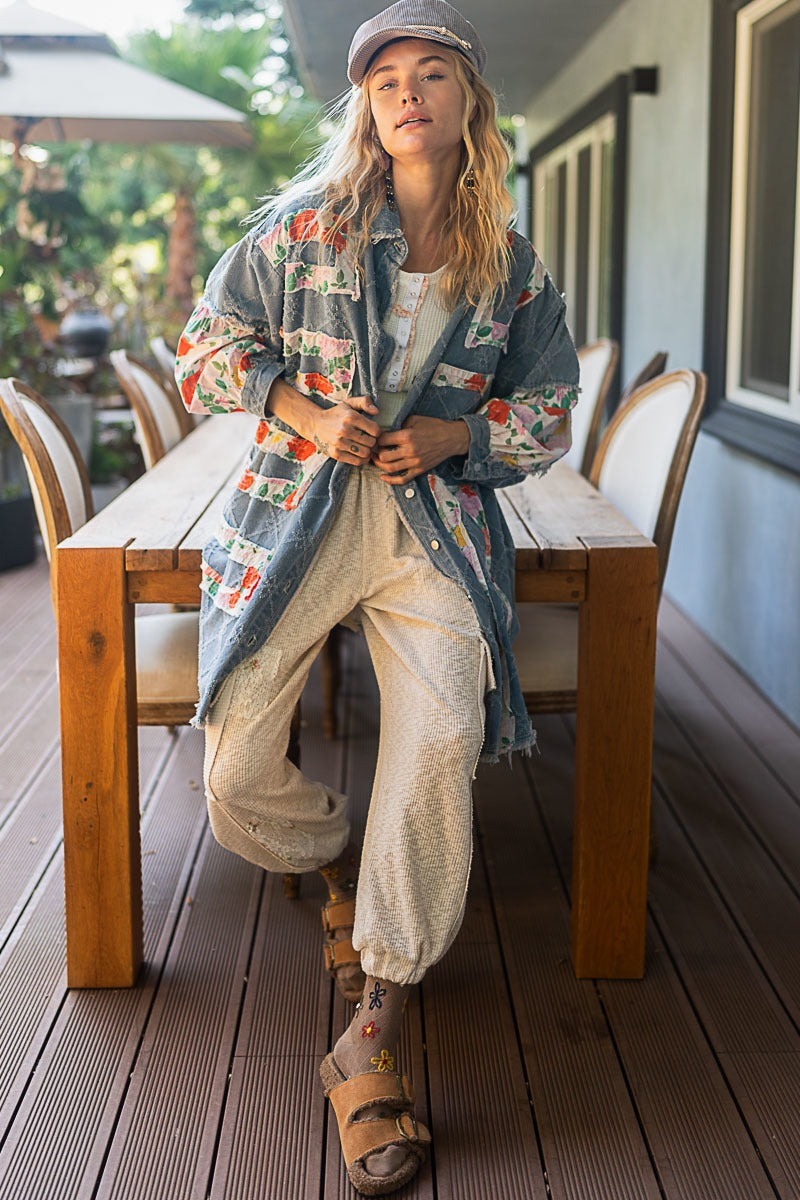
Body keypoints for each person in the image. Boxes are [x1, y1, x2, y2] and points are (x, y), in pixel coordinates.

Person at [175, 1, 579, 1193]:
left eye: (432, 74)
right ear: (366, 106)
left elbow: (548, 407)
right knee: (235, 770)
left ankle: (372, 1030)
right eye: (386, 78)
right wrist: (300, 408)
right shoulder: (298, 231)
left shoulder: (511, 265)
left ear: (467, 103)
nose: (407, 94)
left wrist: (460, 430)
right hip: (294, 518)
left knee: (443, 732)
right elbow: (205, 347)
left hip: (433, 531)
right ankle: (352, 863)